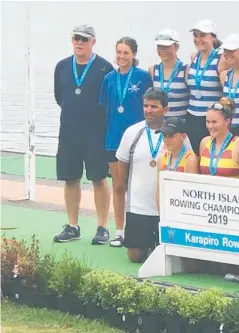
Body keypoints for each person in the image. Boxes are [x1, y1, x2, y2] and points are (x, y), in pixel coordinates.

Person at [53, 24, 113, 244]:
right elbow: (60, 98)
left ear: (93, 42)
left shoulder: (105, 68)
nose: (79, 42)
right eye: (76, 38)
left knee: (98, 179)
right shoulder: (61, 67)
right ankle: (72, 225)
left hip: (95, 134)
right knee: (70, 179)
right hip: (69, 132)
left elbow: (108, 101)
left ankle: (102, 227)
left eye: (84, 39)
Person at [99, 37, 152, 248]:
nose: (122, 57)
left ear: (134, 55)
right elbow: (105, 109)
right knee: (119, 186)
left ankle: (139, 231)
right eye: (119, 52)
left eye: (126, 53)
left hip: (138, 138)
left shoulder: (142, 77)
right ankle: (119, 231)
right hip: (114, 138)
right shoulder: (109, 79)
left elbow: (150, 106)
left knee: (138, 187)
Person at [115, 88, 168, 262]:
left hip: (164, 208)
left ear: (165, 110)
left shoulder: (175, 133)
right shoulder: (132, 132)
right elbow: (122, 169)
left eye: (154, 106)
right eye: (146, 106)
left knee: (163, 255)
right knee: (134, 256)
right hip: (138, 206)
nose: (148, 110)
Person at [199, 97, 239, 276]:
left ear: (227, 121)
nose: (210, 126)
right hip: (209, 207)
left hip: (233, 208)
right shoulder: (204, 142)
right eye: (208, 121)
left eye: (215, 122)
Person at [186, 19, 227, 154]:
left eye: (203, 35)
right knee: (194, 155)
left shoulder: (221, 59)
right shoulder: (193, 57)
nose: (198, 39)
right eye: (196, 35)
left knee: (211, 155)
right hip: (192, 116)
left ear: (213, 37)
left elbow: (226, 91)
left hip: (212, 119)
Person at [155, 117, 199, 209]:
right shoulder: (161, 159)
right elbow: (159, 191)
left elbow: (192, 194)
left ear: (183, 136)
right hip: (166, 214)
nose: (166, 140)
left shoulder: (190, 160)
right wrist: (162, 217)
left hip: (183, 213)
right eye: (164, 135)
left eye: (171, 136)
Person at [149, 29, 190, 119]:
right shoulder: (152, 70)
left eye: (166, 47)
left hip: (180, 127)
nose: (162, 50)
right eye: (159, 46)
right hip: (159, 125)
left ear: (176, 47)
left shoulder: (186, 70)